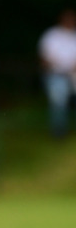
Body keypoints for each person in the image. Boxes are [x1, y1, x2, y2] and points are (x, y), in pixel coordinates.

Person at [38, 7, 76, 138]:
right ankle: (59, 132)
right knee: (59, 99)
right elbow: (44, 58)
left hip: (74, 74)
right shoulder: (51, 35)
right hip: (56, 75)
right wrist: (60, 65)